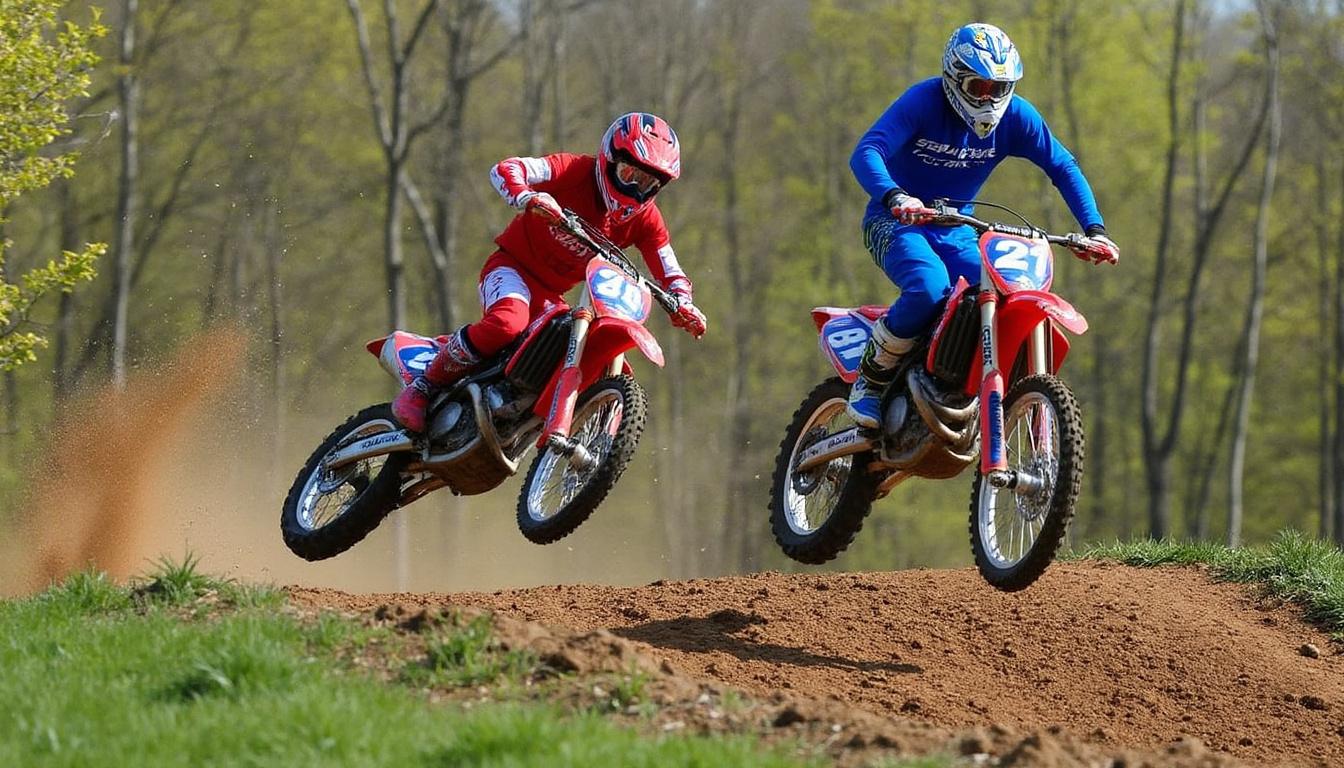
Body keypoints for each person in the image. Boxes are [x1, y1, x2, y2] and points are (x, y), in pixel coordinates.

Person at [846, 22, 1119, 429]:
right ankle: (870, 380)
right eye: (979, 87)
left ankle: (955, 381)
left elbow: (1062, 166)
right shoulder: (924, 102)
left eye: (1000, 88)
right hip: (895, 221)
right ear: (955, 80)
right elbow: (867, 151)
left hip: (957, 228)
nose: (990, 100)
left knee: (1000, 294)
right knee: (928, 288)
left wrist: (1094, 230)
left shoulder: (1017, 118)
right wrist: (895, 196)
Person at [392, 112, 708, 433]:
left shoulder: (645, 220)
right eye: (629, 174)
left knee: (569, 344)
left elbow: (670, 268)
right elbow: (508, 169)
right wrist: (527, 195)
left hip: (552, 298)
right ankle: (423, 388)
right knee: (507, 323)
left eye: (648, 183)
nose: (636, 189)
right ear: (610, 159)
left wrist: (683, 302)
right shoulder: (572, 170)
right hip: (510, 268)